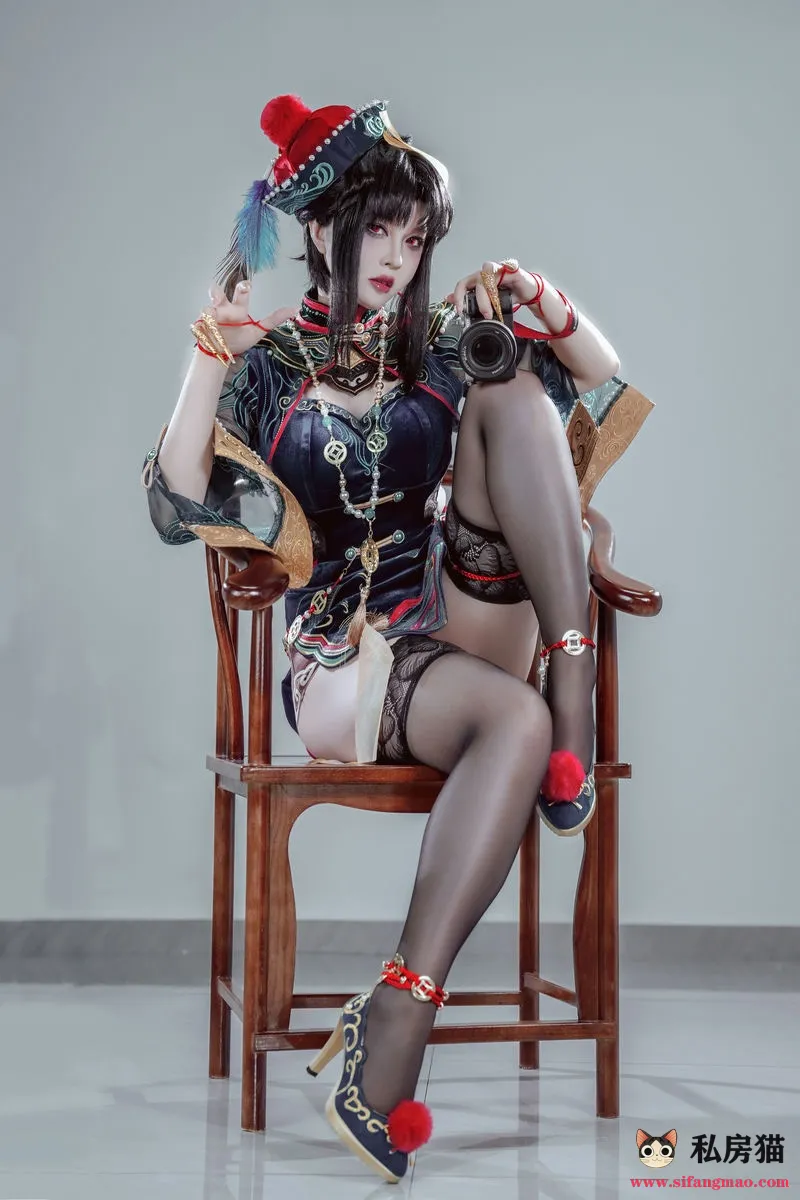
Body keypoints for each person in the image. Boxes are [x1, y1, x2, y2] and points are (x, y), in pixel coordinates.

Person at [143, 93, 646, 1183]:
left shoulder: (439, 349)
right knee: (514, 725)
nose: (398, 257)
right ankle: (399, 1014)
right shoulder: (272, 364)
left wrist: (543, 304)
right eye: (380, 229)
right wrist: (208, 354)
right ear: (324, 227)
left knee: (513, 393)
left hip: (456, 622)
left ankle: (567, 679)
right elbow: (177, 497)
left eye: (416, 239)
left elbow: (595, 387)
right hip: (344, 663)